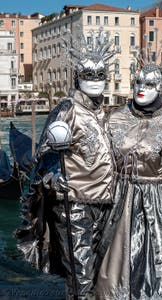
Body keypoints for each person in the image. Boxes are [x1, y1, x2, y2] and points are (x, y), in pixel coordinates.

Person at [15, 27, 119, 300]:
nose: (95, 80)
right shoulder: (67, 109)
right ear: (77, 77)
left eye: (100, 75)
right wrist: (55, 174)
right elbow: (45, 157)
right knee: (80, 272)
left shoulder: (103, 113)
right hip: (74, 203)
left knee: (97, 270)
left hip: (105, 203)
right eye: (88, 74)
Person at [95, 60, 162, 299]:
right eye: (138, 82)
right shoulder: (115, 117)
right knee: (113, 267)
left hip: (161, 204)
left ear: (161, 88)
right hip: (119, 203)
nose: (141, 88)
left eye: (150, 84)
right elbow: (99, 164)